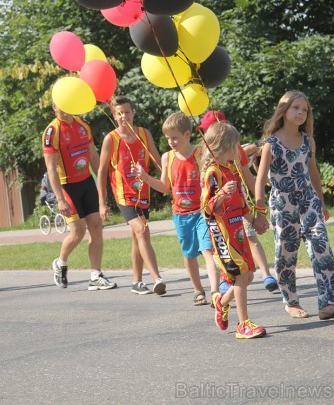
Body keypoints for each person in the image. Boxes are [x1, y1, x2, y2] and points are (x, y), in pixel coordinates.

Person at [255, 90, 334, 321]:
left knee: (321, 247)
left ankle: (327, 303)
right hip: (282, 204)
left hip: (308, 201)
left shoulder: (308, 141)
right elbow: (260, 177)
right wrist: (260, 211)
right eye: (296, 108)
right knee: (286, 254)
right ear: (283, 110)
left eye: (304, 110)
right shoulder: (271, 144)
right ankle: (291, 302)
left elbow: (313, 172)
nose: (301, 113)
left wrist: (321, 202)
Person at [133, 112, 219, 305]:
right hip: (180, 215)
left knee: (207, 250)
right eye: (168, 138)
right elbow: (164, 187)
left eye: (175, 137)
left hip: (202, 212)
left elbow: (211, 178)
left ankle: (215, 292)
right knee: (189, 255)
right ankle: (198, 290)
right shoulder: (167, 158)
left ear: (187, 134)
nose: (171, 141)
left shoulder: (200, 153)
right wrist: (145, 177)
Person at [197, 110, 277, 293]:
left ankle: (266, 274)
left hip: (238, 203)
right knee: (235, 263)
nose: (207, 133)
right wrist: (221, 194)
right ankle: (227, 287)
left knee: (250, 238)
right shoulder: (210, 164)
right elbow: (207, 203)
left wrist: (258, 214)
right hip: (222, 217)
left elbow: (249, 180)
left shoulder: (234, 153)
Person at [202, 122, 266, 339]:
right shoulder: (213, 173)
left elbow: (240, 200)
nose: (239, 149)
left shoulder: (231, 169)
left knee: (247, 276)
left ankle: (221, 301)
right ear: (223, 146)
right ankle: (243, 324)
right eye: (235, 145)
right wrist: (220, 194)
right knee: (240, 276)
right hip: (223, 233)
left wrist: (254, 220)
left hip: (238, 229)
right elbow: (207, 210)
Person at [42, 102, 117, 291]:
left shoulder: (82, 124)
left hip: (86, 182)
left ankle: (95, 275)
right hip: (66, 186)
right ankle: (60, 262)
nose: (65, 108)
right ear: (54, 107)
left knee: (96, 226)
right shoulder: (52, 131)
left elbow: (93, 157)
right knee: (78, 232)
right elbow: (50, 168)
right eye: (61, 105)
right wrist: (59, 198)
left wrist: (102, 185)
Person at [97, 96, 166, 296]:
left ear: (133, 113)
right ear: (114, 116)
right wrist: (102, 203)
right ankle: (157, 278)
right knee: (143, 230)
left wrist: (168, 183)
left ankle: (136, 281)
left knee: (138, 237)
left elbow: (157, 160)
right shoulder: (111, 139)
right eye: (119, 113)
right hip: (123, 195)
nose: (123, 116)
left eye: (127, 112)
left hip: (143, 194)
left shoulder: (144, 134)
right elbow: (101, 171)